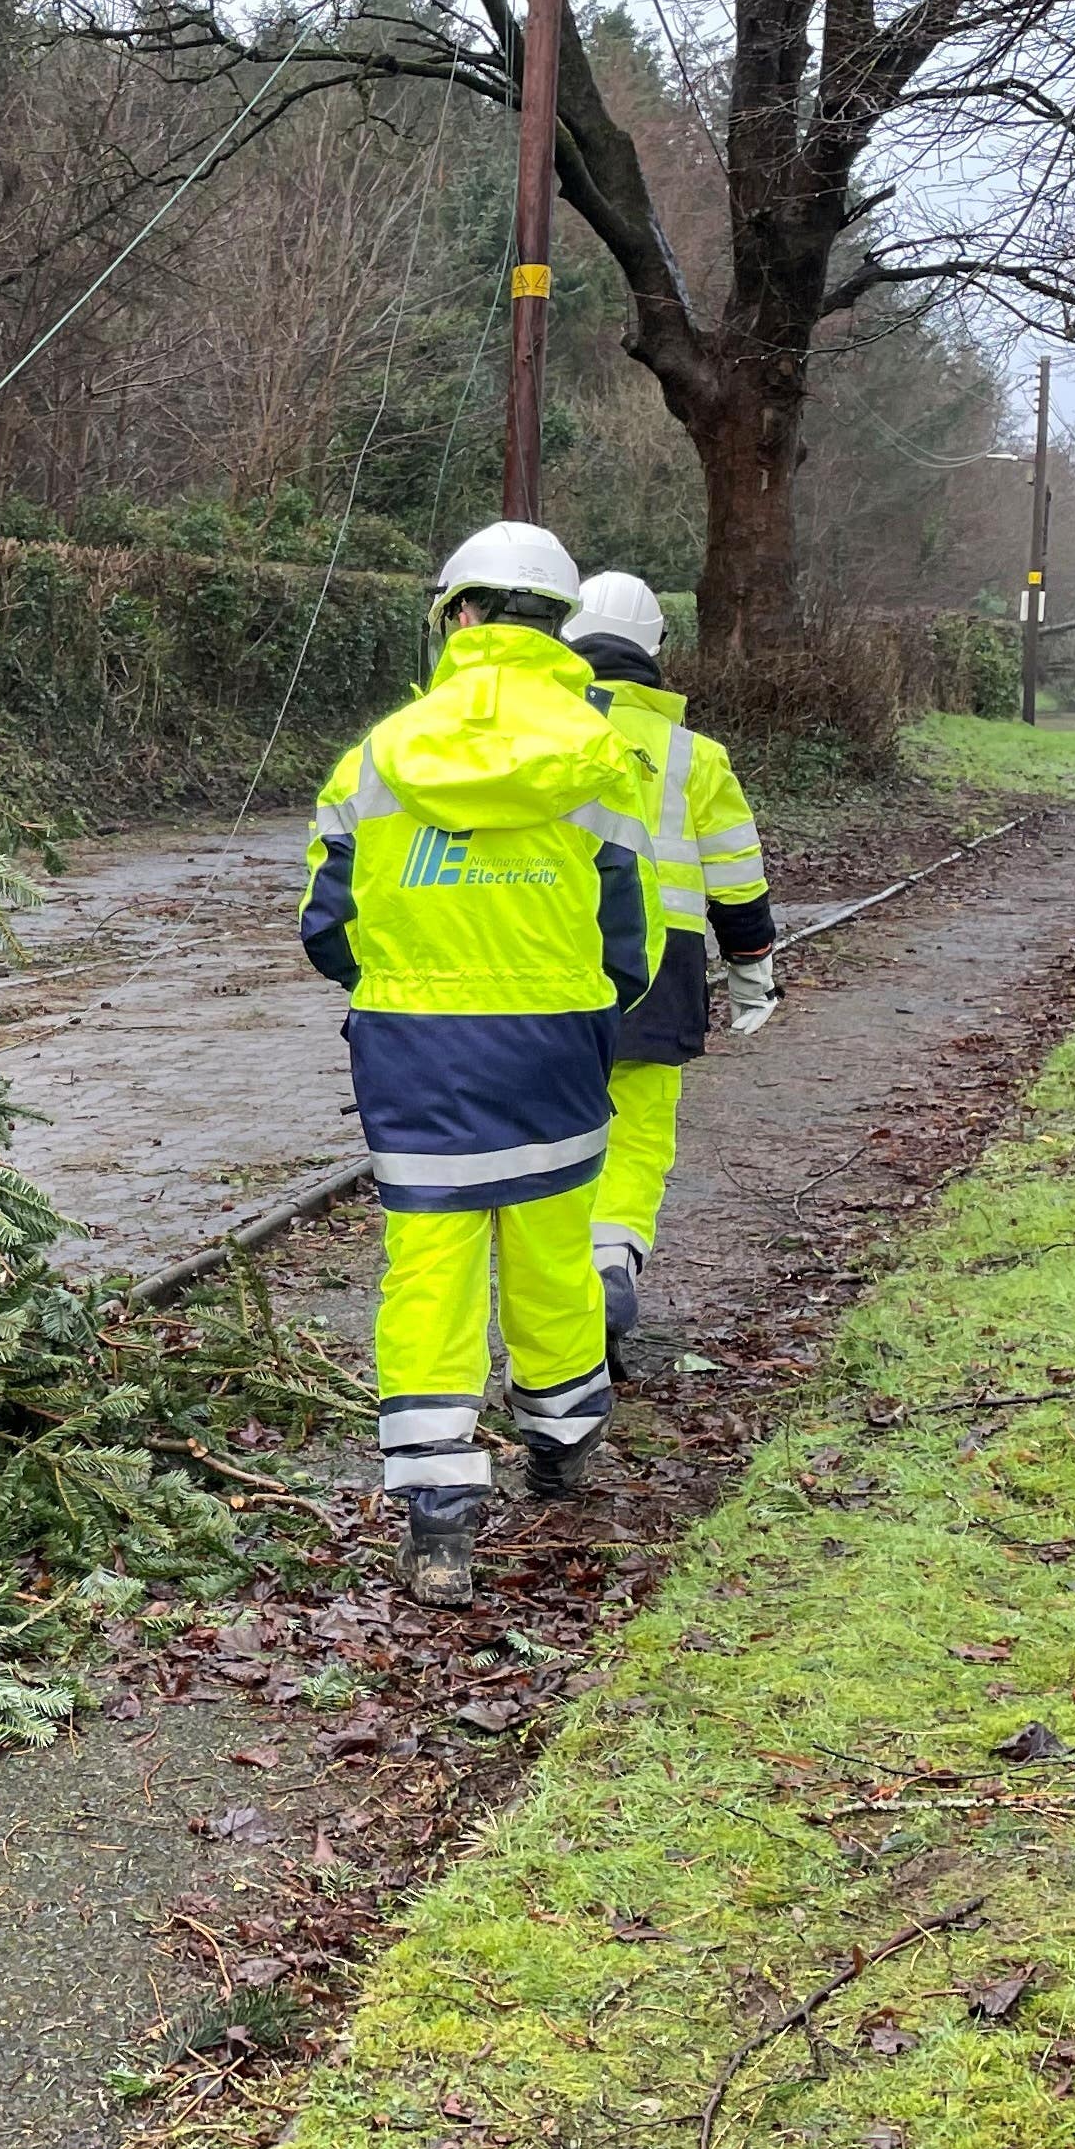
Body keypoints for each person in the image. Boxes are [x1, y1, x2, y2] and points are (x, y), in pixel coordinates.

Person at [298, 524, 658, 1609]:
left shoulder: (377, 756)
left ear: (457, 614)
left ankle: (441, 1525)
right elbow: (626, 946)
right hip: (554, 1049)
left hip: (416, 1057)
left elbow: (326, 928)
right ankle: (561, 1449)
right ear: (559, 621)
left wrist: (410, 982)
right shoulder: (602, 759)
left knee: (430, 1274)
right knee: (551, 1257)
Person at [559, 572, 781, 1366]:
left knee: (551, 1136)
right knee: (638, 1134)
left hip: (548, 964)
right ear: (658, 650)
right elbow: (737, 874)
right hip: (663, 976)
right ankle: (611, 1258)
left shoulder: (540, 734)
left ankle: (554, 1301)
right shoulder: (693, 756)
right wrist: (753, 963)